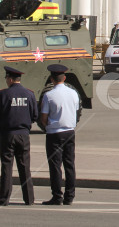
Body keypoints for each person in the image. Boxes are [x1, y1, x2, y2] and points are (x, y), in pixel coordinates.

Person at [39, 64, 80, 205]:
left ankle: (57, 196)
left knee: (55, 166)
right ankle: (70, 196)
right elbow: (75, 111)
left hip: (54, 133)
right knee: (69, 164)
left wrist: (47, 126)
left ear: (51, 79)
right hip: (69, 131)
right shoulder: (73, 93)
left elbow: (43, 118)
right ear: (65, 78)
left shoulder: (48, 96)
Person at [0, 66, 37, 206]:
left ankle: (4, 198)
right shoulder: (29, 94)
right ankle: (29, 198)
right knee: (24, 166)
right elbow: (35, 115)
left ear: (9, 79)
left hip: (8, 134)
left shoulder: (3, 95)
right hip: (23, 134)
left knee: (6, 167)